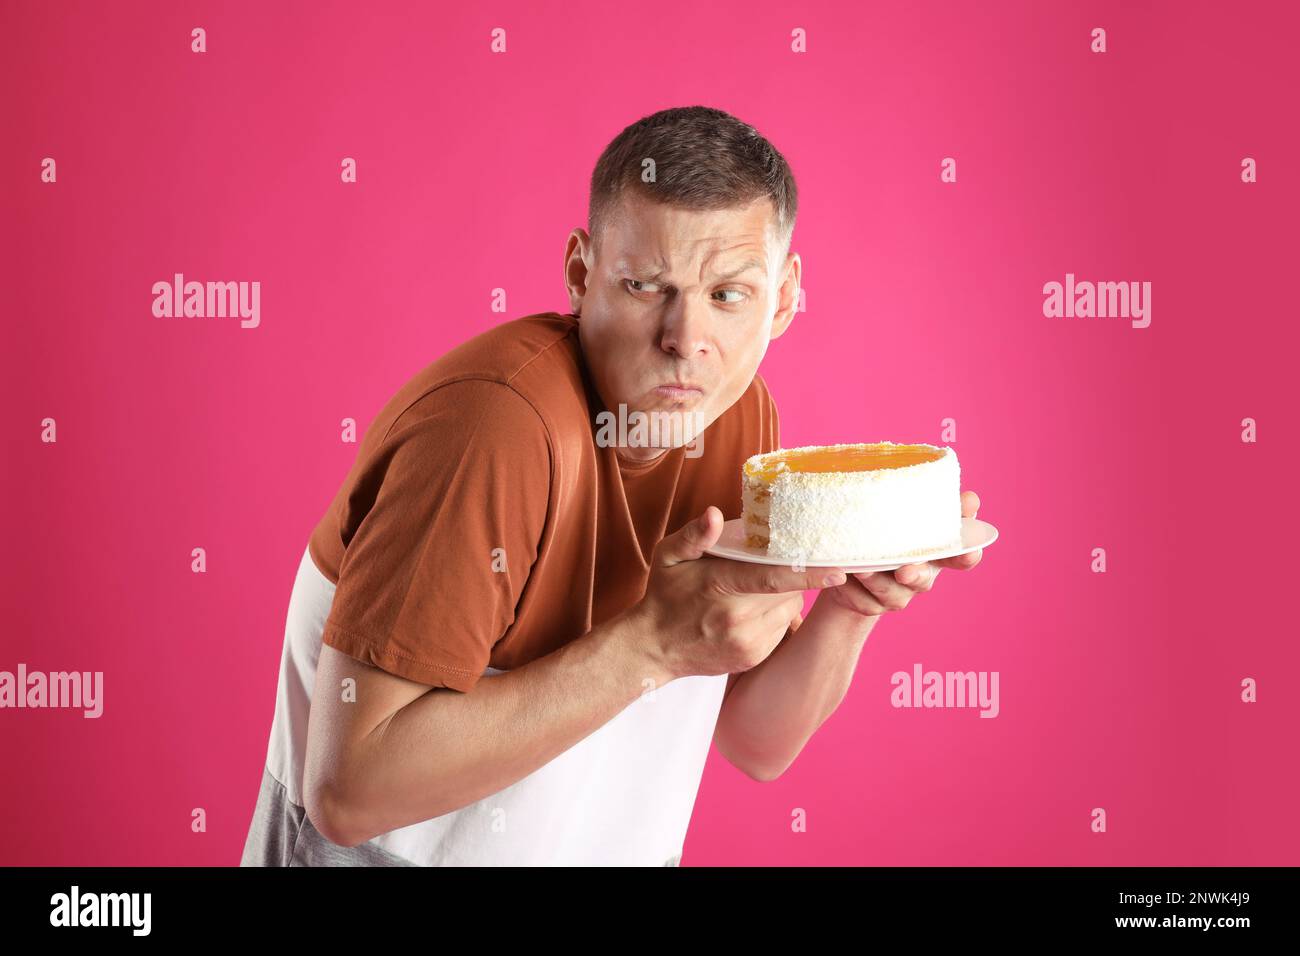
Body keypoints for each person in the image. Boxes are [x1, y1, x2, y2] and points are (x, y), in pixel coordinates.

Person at [239, 104, 983, 867]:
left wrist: (850, 605)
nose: (685, 340)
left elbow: (756, 740)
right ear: (579, 272)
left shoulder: (741, 417)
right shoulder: (491, 428)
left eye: (728, 295)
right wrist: (651, 646)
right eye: (643, 285)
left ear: (785, 297)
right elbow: (349, 793)